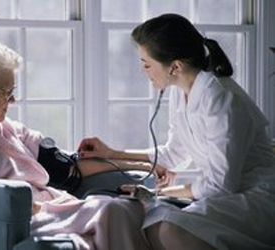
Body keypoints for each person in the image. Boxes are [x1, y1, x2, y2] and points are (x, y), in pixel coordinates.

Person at [0, 38, 151, 250]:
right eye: (7, 92)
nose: (13, 100)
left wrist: (142, 166)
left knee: (128, 207)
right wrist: (32, 205)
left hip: (50, 207)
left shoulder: (7, 128)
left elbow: (65, 165)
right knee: (113, 211)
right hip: (23, 219)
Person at [78, 14, 275, 250]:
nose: (143, 70)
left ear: (176, 66)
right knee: (150, 223)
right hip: (229, 195)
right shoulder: (180, 92)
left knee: (169, 228)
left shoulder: (220, 98)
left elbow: (220, 185)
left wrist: (155, 194)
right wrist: (111, 153)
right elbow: (173, 154)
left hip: (258, 196)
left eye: (147, 63)